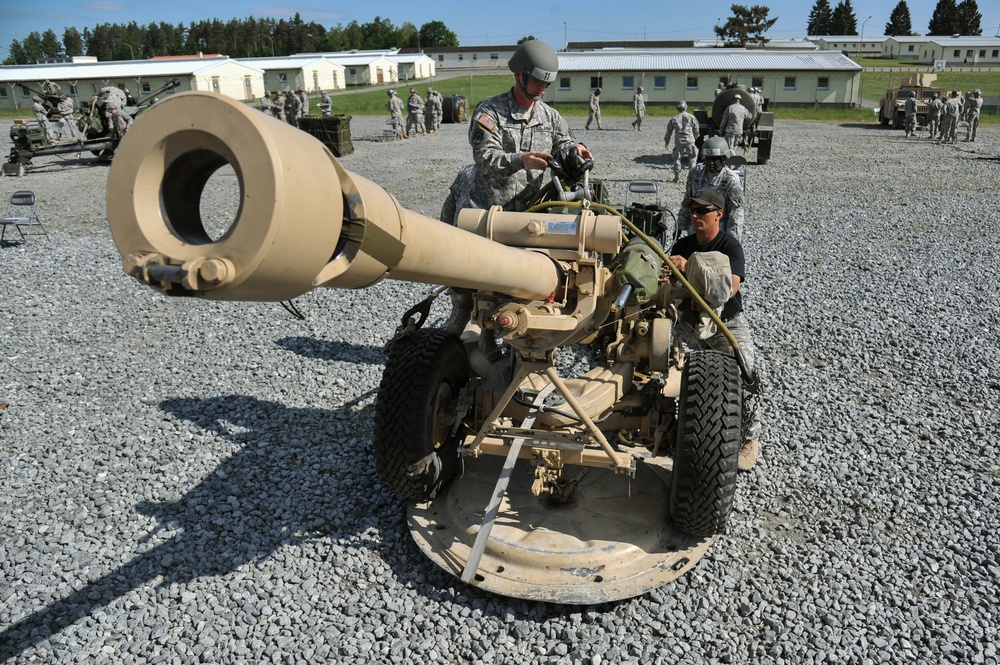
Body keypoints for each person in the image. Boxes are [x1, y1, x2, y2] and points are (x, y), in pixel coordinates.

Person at [668, 185, 760, 470]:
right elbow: (669, 286)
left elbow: (730, 288)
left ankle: (749, 439)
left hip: (725, 322)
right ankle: (674, 430)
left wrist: (693, 267)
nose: (695, 216)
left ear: (718, 214)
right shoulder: (682, 245)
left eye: (702, 211)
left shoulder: (729, 246)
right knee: (668, 372)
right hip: (690, 323)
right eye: (692, 210)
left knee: (747, 374)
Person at [458, 38, 593, 215]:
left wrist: (575, 150)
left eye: (547, 83)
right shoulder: (490, 112)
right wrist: (520, 160)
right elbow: (484, 158)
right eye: (537, 80)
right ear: (519, 75)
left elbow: (563, 144)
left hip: (527, 213)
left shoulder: (551, 116)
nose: (542, 87)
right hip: (485, 212)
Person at [677, 137, 745, 240]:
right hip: (695, 232)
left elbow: (735, 213)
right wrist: (680, 227)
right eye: (708, 159)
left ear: (723, 159)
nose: (711, 163)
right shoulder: (696, 173)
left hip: (717, 235)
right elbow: (688, 199)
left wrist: (732, 242)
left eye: (714, 159)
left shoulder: (731, 180)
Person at [663, 100, 698, 183]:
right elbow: (696, 129)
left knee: (677, 158)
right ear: (686, 107)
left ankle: (676, 177)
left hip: (679, 141)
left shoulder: (674, 118)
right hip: (689, 140)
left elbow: (669, 131)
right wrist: (695, 138)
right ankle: (690, 177)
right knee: (692, 157)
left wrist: (666, 141)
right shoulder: (692, 117)